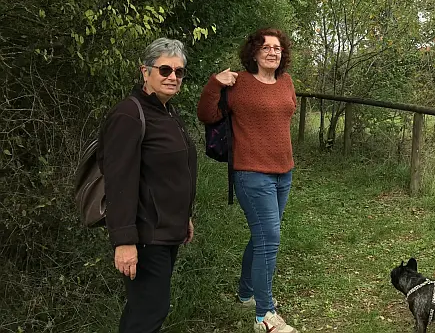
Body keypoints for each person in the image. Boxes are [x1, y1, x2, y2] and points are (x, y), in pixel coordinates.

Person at [197, 28, 298, 333]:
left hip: (284, 171)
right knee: (270, 239)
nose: (272, 52)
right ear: (254, 52)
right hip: (251, 173)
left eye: (277, 48)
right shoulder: (238, 83)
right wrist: (215, 82)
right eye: (265, 47)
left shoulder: (286, 82)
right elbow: (206, 113)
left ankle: (246, 294)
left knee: (264, 236)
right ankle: (264, 316)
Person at [98, 38, 197, 333]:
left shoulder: (167, 111)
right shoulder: (129, 115)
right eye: (165, 69)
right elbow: (119, 181)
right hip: (144, 233)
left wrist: (184, 218)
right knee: (151, 309)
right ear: (145, 71)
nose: (172, 77)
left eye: (179, 72)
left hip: (167, 229)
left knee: (144, 308)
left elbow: (170, 174)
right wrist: (124, 241)